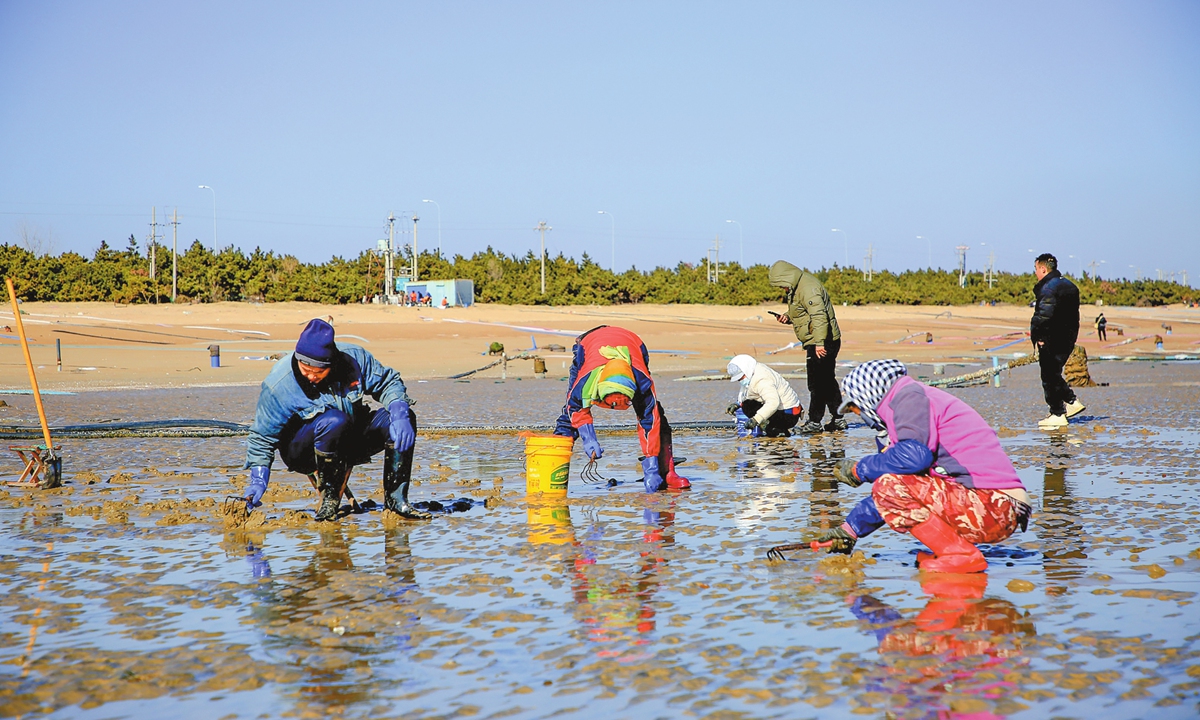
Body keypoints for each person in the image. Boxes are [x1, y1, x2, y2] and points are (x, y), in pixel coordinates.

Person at [773, 360, 1031, 573]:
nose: (857, 414)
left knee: (888, 485)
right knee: (891, 486)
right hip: (989, 506)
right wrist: (849, 530)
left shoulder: (908, 398)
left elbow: (913, 460)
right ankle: (952, 553)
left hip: (997, 506)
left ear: (869, 394)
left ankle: (960, 555)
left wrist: (860, 469)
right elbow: (906, 486)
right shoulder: (899, 413)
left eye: (854, 406)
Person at [242, 318, 429, 521]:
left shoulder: (354, 359)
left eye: (318, 372)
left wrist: (399, 411)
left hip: (348, 438)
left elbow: (388, 383)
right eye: (306, 370)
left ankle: (396, 501)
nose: (311, 377)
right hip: (303, 450)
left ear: (332, 363)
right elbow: (262, 438)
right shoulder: (279, 384)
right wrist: (258, 481)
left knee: (402, 418)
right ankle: (330, 500)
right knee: (334, 421)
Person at [554, 325, 691, 492]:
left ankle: (667, 472)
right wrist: (588, 438)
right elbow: (576, 408)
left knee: (654, 414)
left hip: (634, 343)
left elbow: (650, 421)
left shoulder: (641, 382)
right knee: (569, 412)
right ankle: (554, 468)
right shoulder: (585, 381)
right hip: (587, 344)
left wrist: (651, 465)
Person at [768, 260, 845, 434]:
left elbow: (819, 316)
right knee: (827, 382)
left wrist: (819, 343)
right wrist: (788, 317)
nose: (782, 289)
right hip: (820, 339)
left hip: (822, 341)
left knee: (817, 384)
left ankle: (815, 422)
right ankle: (839, 418)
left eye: (781, 285)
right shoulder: (798, 286)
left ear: (786, 277)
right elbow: (801, 312)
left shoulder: (808, 288)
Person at [1031, 253, 1084, 429]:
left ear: (1043, 268)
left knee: (1048, 375)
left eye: (1036, 269)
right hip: (1068, 337)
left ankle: (1057, 413)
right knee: (1053, 373)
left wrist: (1039, 337)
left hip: (1051, 338)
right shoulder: (1069, 285)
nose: (1036, 273)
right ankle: (1071, 401)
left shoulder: (1048, 288)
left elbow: (1044, 316)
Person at [724, 354, 803, 437]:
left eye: (741, 377)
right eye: (738, 379)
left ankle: (777, 430)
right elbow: (749, 395)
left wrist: (756, 420)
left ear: (746, 370)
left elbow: (773, 403)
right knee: (747, 405)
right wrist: (737, 404)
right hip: (779, 410)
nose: (740, 380)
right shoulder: (751, 373)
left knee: (750, 407)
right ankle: (771, 428)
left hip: (789, 415)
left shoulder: (762, 378)